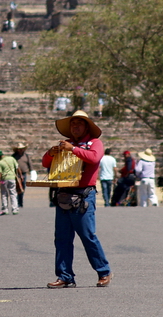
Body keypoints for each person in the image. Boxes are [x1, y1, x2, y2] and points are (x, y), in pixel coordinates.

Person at [42, 110, 111, 288]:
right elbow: (45, 162)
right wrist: (51, 152)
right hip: (64, 194)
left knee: (87, 235)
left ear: (87, 126)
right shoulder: (66, 144)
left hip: (84, 194)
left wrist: (73, 149)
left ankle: (104, 271)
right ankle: (65, 276)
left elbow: (94, 158)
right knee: (62, 238)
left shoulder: (95, 143)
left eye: (79, 123)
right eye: (72, 124)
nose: (75, 127)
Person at [0, 150, 21, 215]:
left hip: (3, 180)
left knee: (4, 194)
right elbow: (17, 167)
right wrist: (20, 176)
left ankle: (5, 209)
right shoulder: (12, 158)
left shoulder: (0, 162)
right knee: (13, 193)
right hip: (12, 178)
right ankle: (15, 209)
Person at [12, 142, 33, 209]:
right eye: (19, 149)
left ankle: (20, 202)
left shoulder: (26, 156)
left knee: (22, 187)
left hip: (24, 174)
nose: (20, 150)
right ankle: (17, 202)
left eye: (22, 149)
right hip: (16, 174)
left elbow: (30, 164)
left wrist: (32, 172)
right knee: (17, 188)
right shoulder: (14, 156)